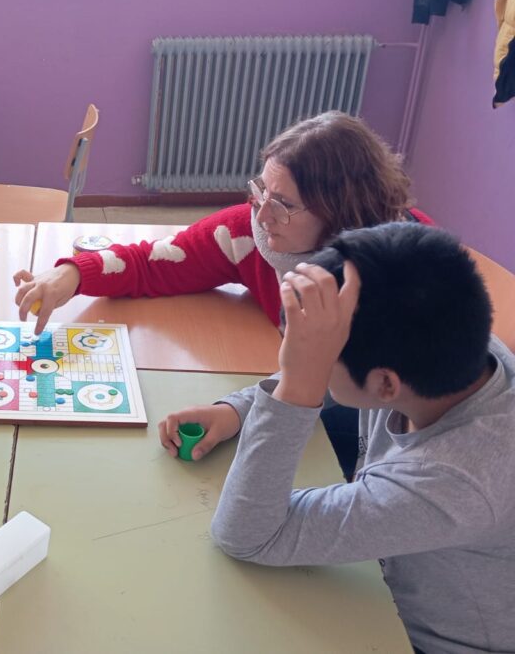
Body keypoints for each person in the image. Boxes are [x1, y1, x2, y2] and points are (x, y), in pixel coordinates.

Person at [159, 222, 515, 654]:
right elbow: (342, 362)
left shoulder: (453, 483)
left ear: (386, 385)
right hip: (387, 579)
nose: (295, 362)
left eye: (316, 360)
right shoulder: (456, 346)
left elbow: (246, 534)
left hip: (426, 640)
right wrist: (238, 408)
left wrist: (297, 385)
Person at [14, 112, 432, 478]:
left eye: (283, 204)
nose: (261, 215)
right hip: (300, 391)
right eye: (261, 191)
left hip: (379, 423)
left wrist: (237, 410)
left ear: (340, 212)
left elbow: (326, 377)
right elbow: (155, 261)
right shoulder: (250, 233)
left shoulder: (398, 272)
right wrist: (71, 274)